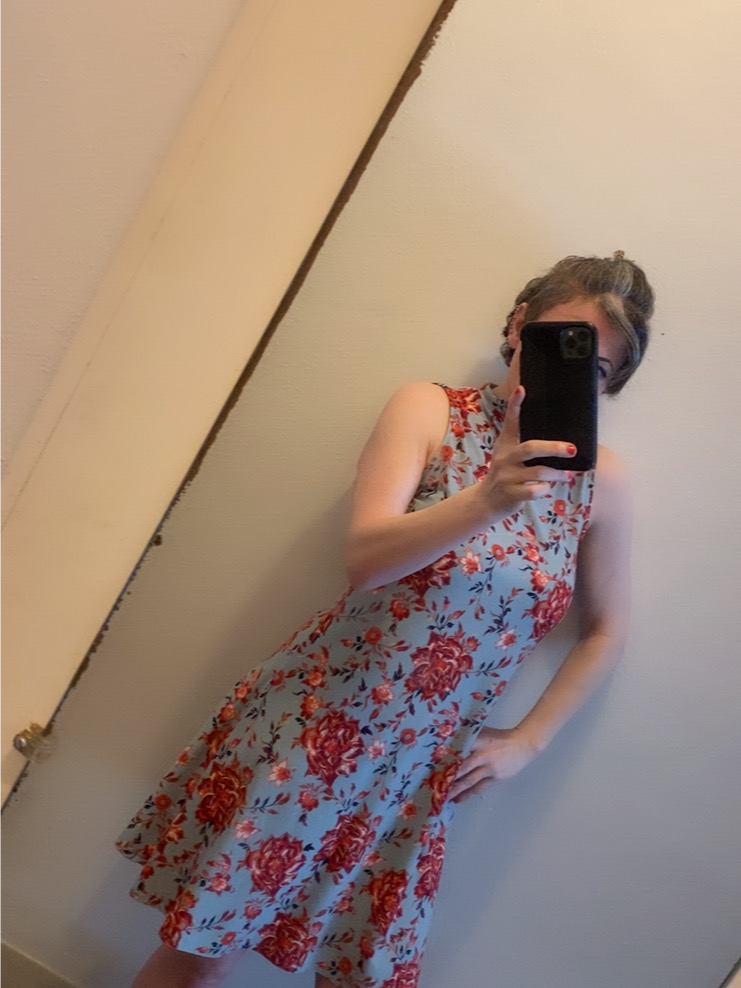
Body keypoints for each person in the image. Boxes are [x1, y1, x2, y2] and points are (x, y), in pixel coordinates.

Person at [118, 253, 654, 988]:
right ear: (516, 325)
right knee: (202, 956)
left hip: (417, 775)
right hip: (316, 732)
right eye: (553, 342)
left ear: (611, 383)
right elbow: (366, 560)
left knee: (360, 972)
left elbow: (606, 630)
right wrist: (486, 499)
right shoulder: (429, 411)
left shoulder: (602, 483)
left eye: (594, 367)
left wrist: (527, 741)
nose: (570, 373)